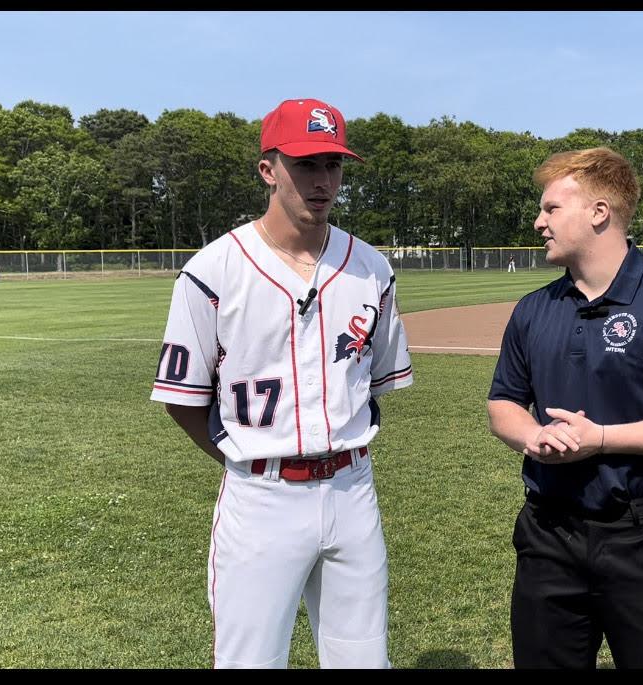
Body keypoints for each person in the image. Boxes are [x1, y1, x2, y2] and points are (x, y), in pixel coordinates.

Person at [150, 97, 414, 669]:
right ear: (269, 170)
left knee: (363, 660)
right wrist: (242, 459)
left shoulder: (372, 267)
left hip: (352, 491)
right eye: (306, 164)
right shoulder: (213, 269)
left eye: (333, 165)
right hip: (261, 496)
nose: (322, 181)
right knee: (251, 662)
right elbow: (183, 399)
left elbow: (375, 382)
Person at [487, 147, 643, 669]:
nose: (539, 222)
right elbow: (503, 403)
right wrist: (531, 435)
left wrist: (602, 439)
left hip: (640, 535)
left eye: (551, 209)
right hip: (546, 533)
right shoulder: (533, 310)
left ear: (599, 212)